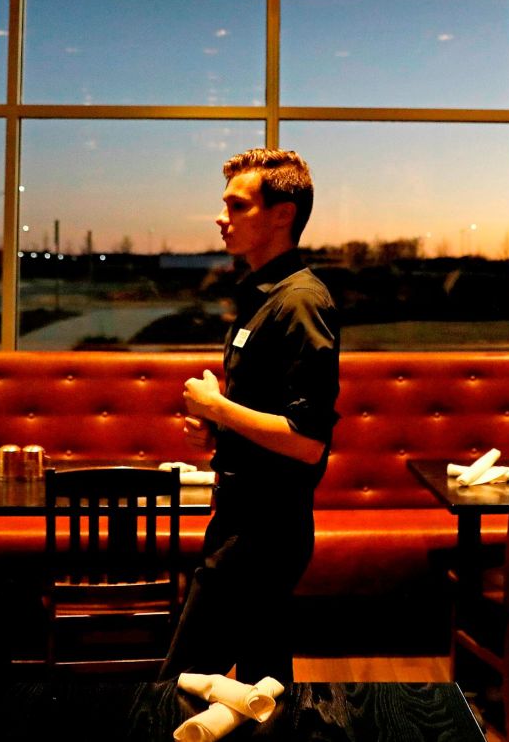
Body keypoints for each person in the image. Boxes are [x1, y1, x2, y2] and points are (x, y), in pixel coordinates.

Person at [160, 148, 340, 687]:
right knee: (266, 689)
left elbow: (308, 442)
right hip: (241, 516)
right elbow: (263, 413)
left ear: (283, 214)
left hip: (264, 530)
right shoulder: (262, 294)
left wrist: (218, 407)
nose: (221, 217)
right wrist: (214, 427)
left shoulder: (302, 301)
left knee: (176, 691)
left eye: (237, 206)